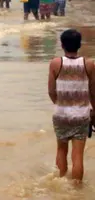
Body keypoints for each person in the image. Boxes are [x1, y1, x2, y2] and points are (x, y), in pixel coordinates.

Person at [48, 29, 95, 182]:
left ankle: (61, 183)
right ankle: (76, 190)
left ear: (62, 45)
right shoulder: (89, 64)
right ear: (79, 45)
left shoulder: (56, 63)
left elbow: (51, 91)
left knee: (61, 150)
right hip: (81, 114)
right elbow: (93, 92)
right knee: (78, 155)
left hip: (61, 114)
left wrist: (60, 104)